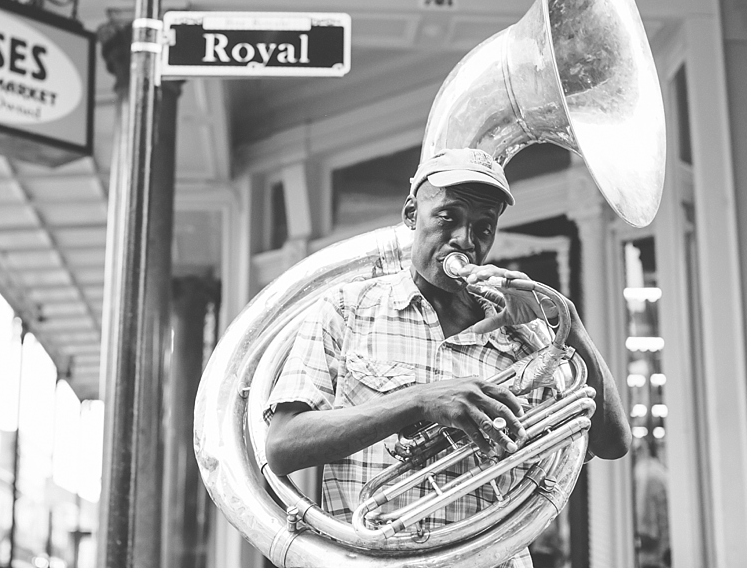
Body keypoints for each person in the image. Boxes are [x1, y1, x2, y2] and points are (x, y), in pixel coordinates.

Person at [264, 148, 631, 568]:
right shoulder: (347, 308)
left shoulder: (526, 335)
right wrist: (419, 401)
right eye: (447, 216)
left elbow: (612, 441)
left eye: (483, 227)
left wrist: (566, 320)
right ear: (410, 215)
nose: (464, 239)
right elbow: (284, 444)